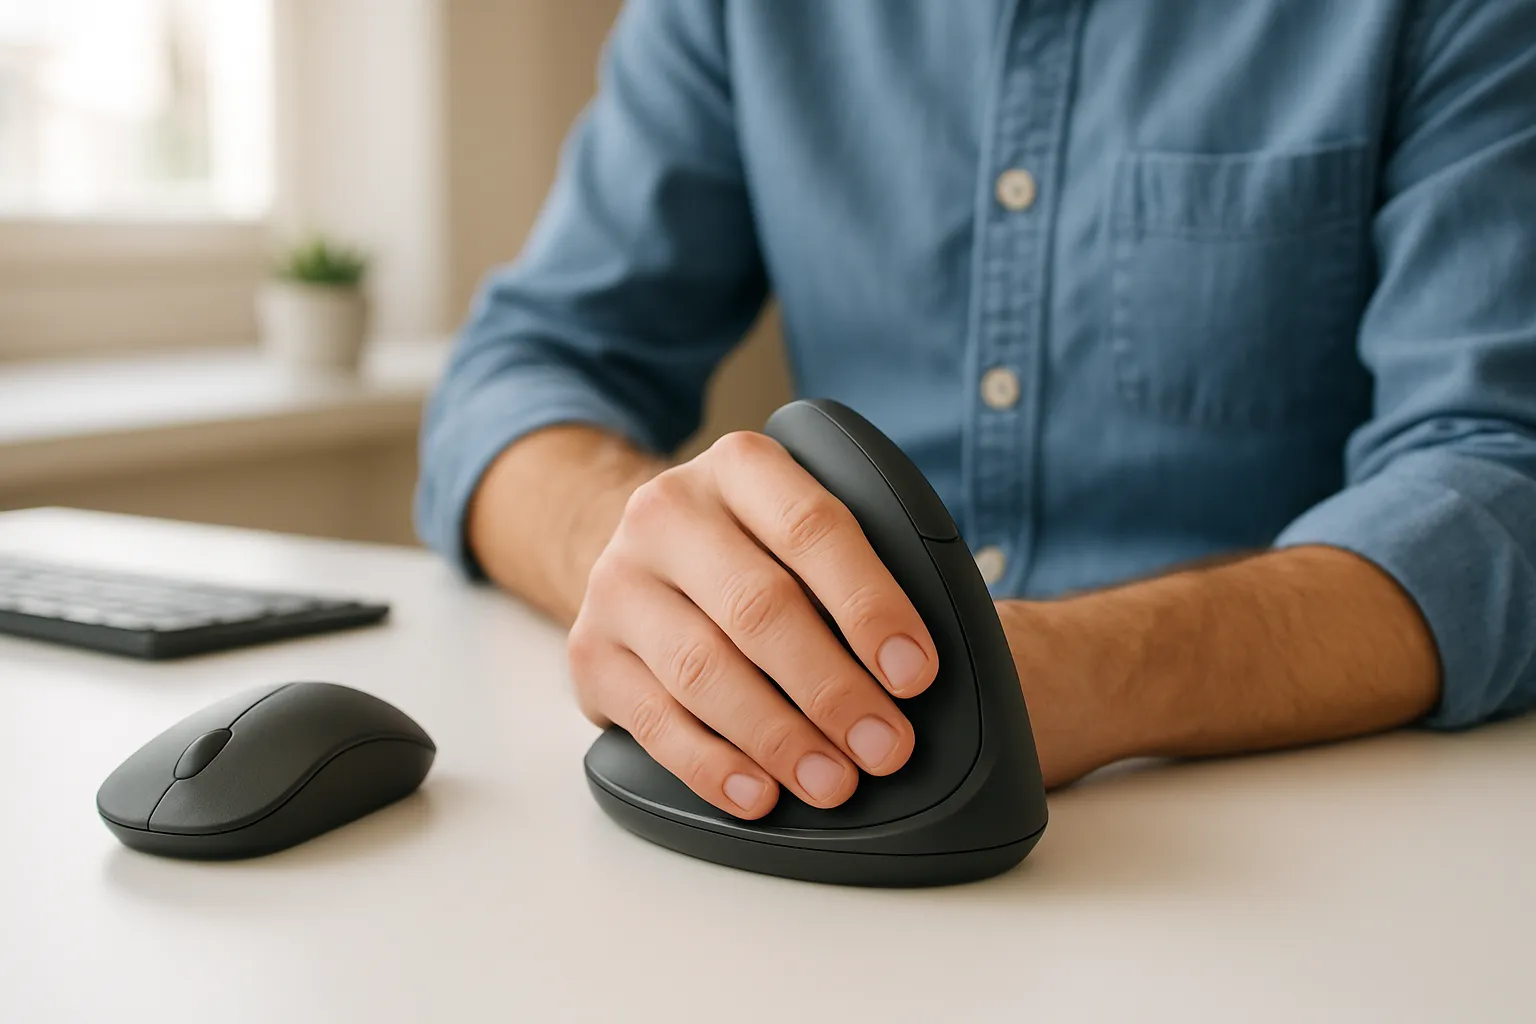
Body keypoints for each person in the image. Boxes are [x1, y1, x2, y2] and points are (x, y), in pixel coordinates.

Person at [416, 1, 1536, 820]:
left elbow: (1500, 478)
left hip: (1294, 822)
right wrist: (675, 590)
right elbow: (517, 374)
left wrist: (1082, 667)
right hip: (824, 775)